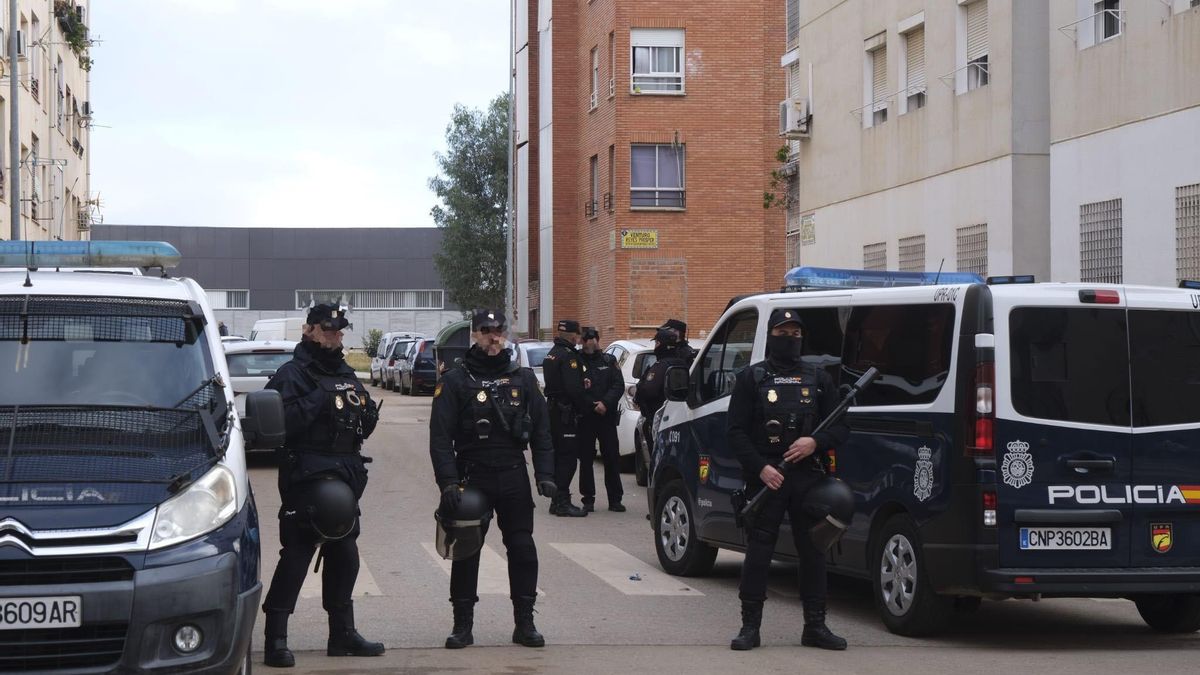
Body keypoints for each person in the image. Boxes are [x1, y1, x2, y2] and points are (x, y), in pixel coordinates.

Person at [261, 304, 384, 668]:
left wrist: (366, 413)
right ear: (309, 330)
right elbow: (282, 424)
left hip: (345, 472)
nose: (335, 336)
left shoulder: (345, 372)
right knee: (298, 554)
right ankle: (275, 637)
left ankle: (342, 634)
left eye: (339, 331)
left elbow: (361, 422)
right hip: (307, 473)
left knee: (345, 555)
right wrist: (321, 397)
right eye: (328, 330)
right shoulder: (293, 374)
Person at [429, 308, 556, 649]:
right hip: (473, 475)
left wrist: (545, 474)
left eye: (498, 330)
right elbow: (440, 438)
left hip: (513, 474)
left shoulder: (523, 378)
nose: (493, 336)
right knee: (467, 552)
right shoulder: (456, 380)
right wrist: (448, 483)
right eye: (485, 330)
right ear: (474, 335)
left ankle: (525, 622)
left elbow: (543, 430)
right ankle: (463, 625)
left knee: (523, 549)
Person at [726, 309, 851, 651]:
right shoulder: (752, 379)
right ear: (772, 335)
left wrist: (815, 442)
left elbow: (841, 427)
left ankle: (815, 626)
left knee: (813, 552)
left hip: (807, 477)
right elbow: (735, 432)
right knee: (758, 553)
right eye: (784, 332)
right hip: (767, 478)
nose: (790, 338)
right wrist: (761, 469)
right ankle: (750, 627)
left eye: (796, 332)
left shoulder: (818, 378)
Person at [540, 319, 588, 517]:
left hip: (553, 410)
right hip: (565, 413)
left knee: (558, 456)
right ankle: (562, 501)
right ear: (574, 335)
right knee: (567, 459)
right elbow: (573, 389)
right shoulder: (569, 357)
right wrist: (584, 408)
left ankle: (556, 500)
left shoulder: (552, 354)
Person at [576, 326, 625, 512]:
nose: (589, 342)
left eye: (592, 338)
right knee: (586, 459)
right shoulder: (577, 361)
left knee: (611, 456)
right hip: (586, 417)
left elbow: (617, 385)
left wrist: (605, 403)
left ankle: (615, 499)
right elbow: (576, 388)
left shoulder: (609, 360)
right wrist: (592, 405)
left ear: (597, 339)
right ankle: (588, 498)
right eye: (586, 339)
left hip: (606, 416)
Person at [633, 323, 690, 454]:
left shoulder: (660, 366)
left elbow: (648, 390)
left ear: (660, 344)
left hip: (659, 420)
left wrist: (640, 389)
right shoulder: (682, 363)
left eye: (656, 343)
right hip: (678, 418)